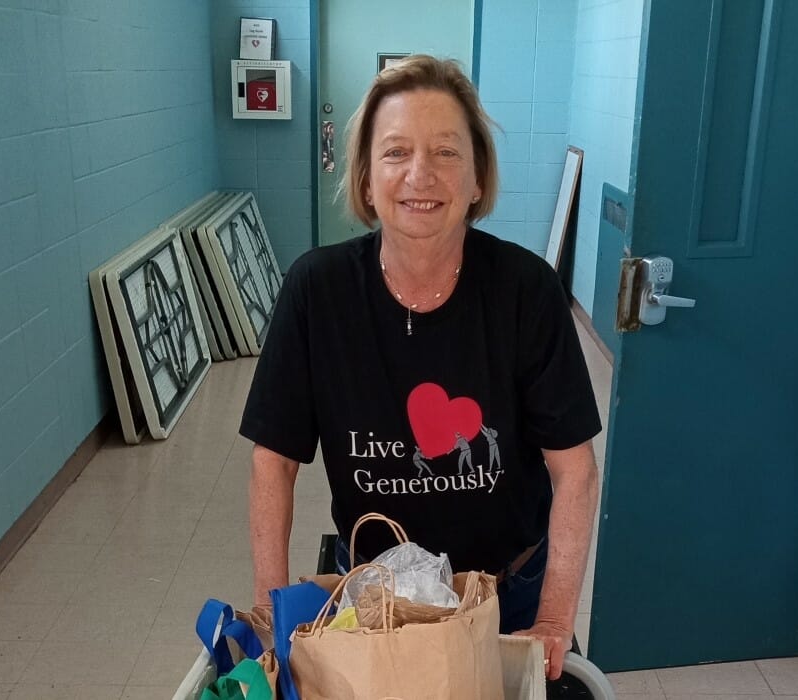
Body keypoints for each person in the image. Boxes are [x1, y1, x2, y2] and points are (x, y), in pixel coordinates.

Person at [240, 54, 601, 681]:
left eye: (446, 152)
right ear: (367, 176)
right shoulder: (316, 292)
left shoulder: (526, 291)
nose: (420, 175)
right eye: (395, 152)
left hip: (507, 597)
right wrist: (274, 621)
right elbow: (272, 464)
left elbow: (575, 473)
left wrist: (553, 620)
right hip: (377, 603)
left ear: (478, 178)